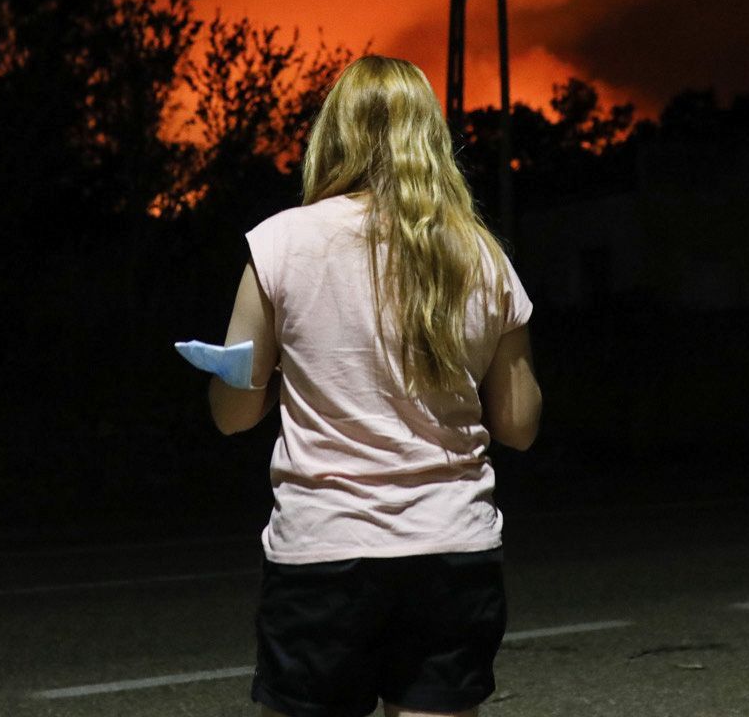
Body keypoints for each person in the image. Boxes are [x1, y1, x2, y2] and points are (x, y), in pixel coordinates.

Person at [207, 54, 542, 717]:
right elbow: (519, 426)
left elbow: (234, 415)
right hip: (452, 550)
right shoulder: (480, 253)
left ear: (335, 135)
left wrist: (266, 379)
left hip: (325, 555)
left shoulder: (280, 244)